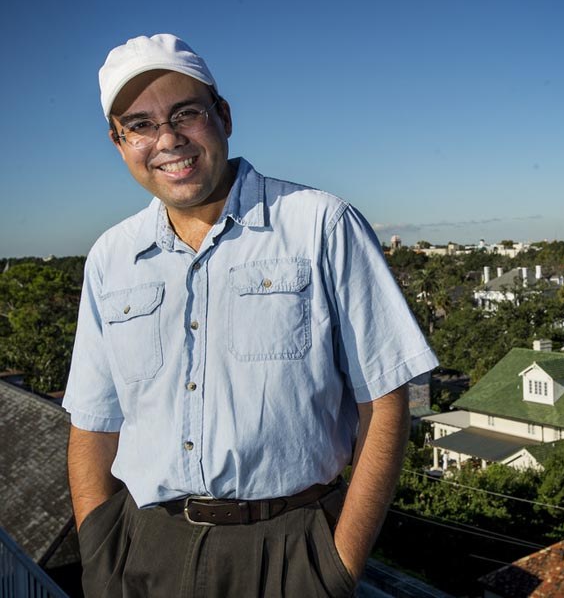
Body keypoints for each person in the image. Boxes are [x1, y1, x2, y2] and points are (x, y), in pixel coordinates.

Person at [63, 33, 437, 598]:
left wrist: (335, 566)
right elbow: (94, 421)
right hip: (144, 549)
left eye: (185, 113)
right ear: (119, 143)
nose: (167, 139)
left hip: (289, 549)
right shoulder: (110, 259)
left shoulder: (321, 225)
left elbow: (385, 400)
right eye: (139, 124)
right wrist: (99, 551)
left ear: (224, 116)